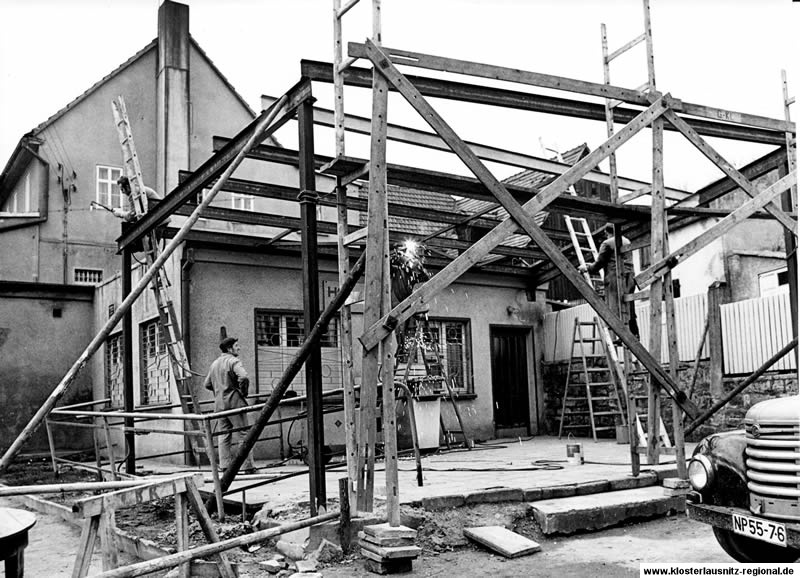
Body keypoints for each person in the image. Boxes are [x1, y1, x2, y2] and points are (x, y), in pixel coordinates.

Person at [203, 337, 257, 474]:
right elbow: (244, 377)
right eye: (236, 346)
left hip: (219, 405)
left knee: (224, 435)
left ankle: (225, 466)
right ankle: (248, 466)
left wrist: (220, 389)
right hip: (234, 403)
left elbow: (207, 384)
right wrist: (243, 392)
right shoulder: (234, 361)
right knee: (244, 434)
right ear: (229, 349)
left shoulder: (214, 363)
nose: (239, 348)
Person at [578, 223, 640, 341]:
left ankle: (622, 336)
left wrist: (587, 268)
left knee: (614, 307)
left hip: (615, 278)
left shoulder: (607, 243)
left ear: (607, 232)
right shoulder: (627, 240)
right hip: (630, 278)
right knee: (629, 307)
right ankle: (634, 333)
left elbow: (599, 263)